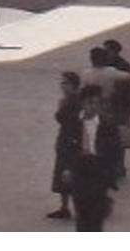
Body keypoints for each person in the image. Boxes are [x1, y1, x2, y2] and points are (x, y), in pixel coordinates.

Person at [85, 46, 130, 184]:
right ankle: (114, 169)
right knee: (112, 140)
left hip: (91, 109)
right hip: (108, 109)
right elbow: (128, 77)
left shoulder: (87, 73)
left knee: (92, 139)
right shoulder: (111, 72)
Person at [70, 86, 115, 230]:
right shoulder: (72, 122)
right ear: (82, 103)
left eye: (96, 103)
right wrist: (66, 168)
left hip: (98, 170)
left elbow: (113, 151)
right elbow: (65, 146)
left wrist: (108, 174)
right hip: (79, 170)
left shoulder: (106, 124)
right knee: (81, 213)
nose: (93, 107)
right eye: (90, 103)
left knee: (96, 215)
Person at [47, 72, 83, 220]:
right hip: (69, 140)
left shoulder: (73, 101)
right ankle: (67, 207)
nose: (62, 86)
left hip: (71, 141)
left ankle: (67, 207)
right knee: (68, 174)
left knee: (69, 173)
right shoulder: (72, 100)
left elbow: (65, 120)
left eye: (65, 83)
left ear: (72, 85)